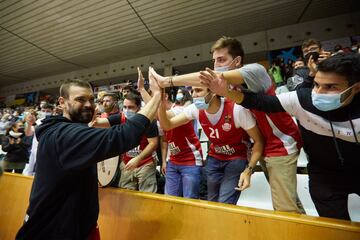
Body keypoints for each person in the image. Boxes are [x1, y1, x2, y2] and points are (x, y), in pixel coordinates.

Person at [150, 36, 304, 213]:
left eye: (222, 60)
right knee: (290, 202)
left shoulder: (256, 71)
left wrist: (166, 81)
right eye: (214, 61)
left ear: (237, 61)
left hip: (281, 142)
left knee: (284, 208)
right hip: (263, 144)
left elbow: (211, 78)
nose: (216, 65)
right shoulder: (227, 91)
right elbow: (168, 124)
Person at [200, 52, 360, 220]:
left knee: (285, 209)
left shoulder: (256, 72)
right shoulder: (303, 99)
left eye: (330, 87)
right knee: (332, 226)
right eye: (316, 84)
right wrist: (225, 91)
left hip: (284, 147)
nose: (319, 93)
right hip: (324, 176)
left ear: (356, 87)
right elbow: (261, 103)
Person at [16, 77, 161, 239]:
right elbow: (123, 136)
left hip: (76, 226)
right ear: (62, 102)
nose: (88, 104)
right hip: (53, 231)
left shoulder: (60, 129)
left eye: (91, 99)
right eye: (80, 99)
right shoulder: (65, 135)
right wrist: (156, 96)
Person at [156, 83, 264, 204]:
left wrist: (248, 170)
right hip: (214, 158)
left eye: (198, 90)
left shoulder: (237, 110)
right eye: (192, 91)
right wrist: (160, 101)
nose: (193, 95)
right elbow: (167, 125)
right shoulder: (196, 109)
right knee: (212, 203)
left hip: (236, 159)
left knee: (224, 204)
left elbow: (259, 141)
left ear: (213, 92)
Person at [137, 69, 204, 199]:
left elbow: (162, 115)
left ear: (164, 97)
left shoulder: (180, 110)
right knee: (170, 199)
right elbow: (164, 141)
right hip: (173, 161)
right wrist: (164, 161)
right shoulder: (159, 118)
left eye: (154, 97)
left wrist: (144, 91)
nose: (151, 101)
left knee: (190, 200)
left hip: (190, 161)